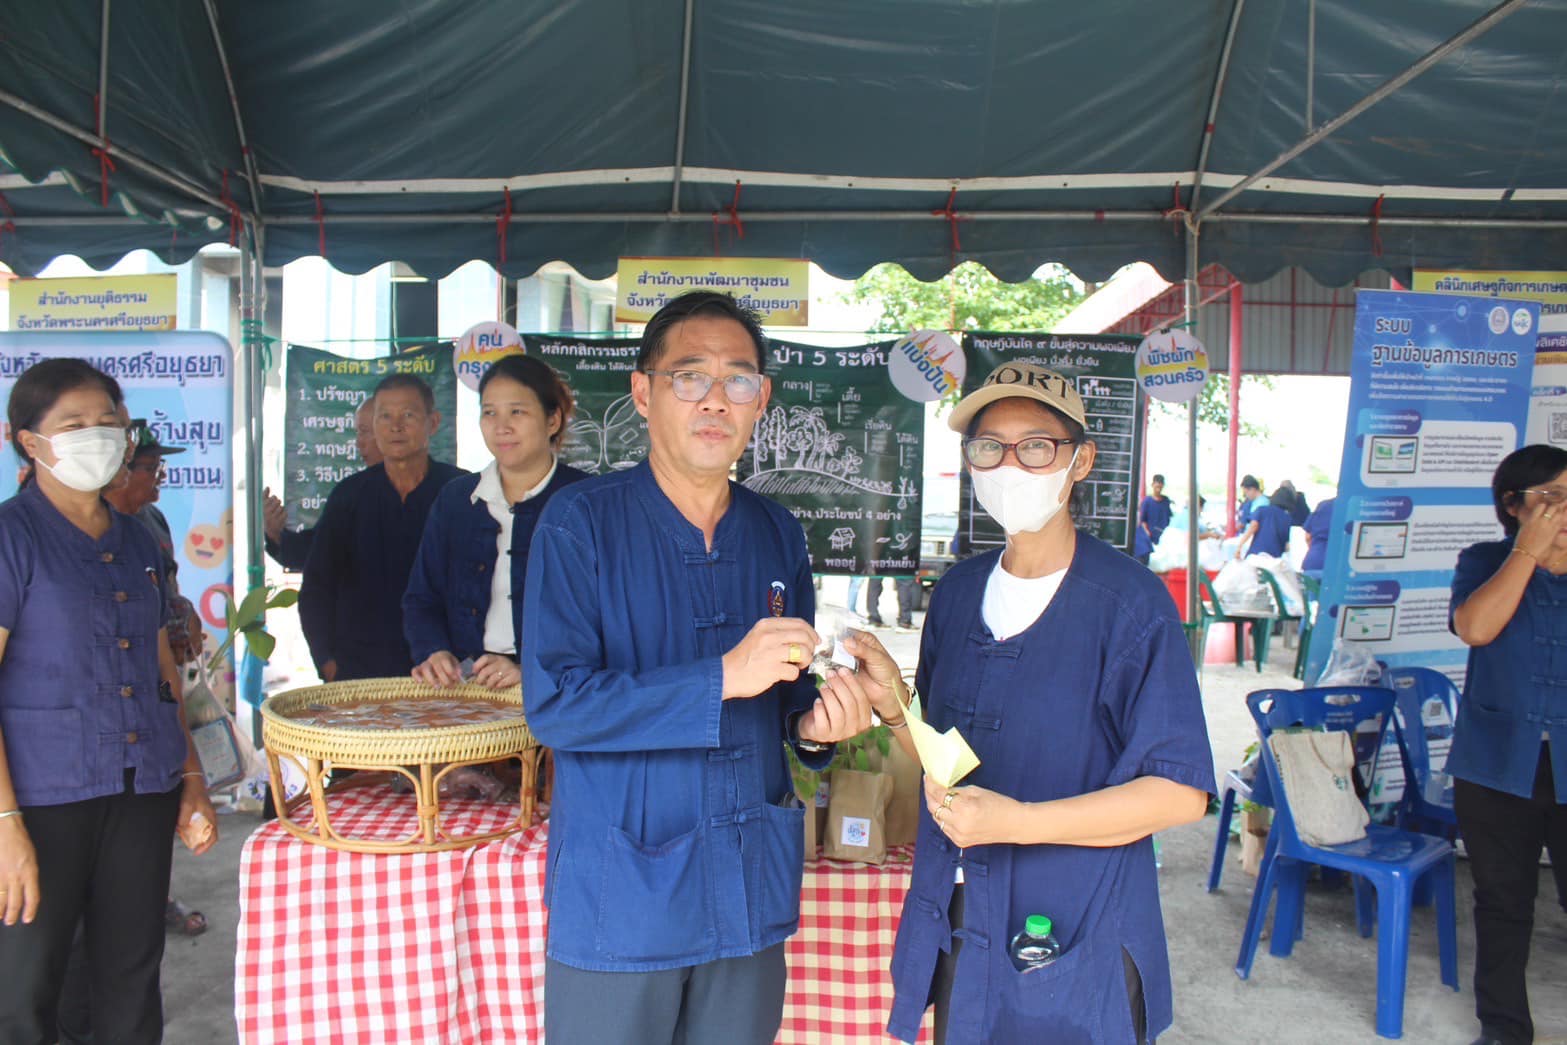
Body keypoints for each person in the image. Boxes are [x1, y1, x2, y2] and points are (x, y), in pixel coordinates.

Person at [522, 291, 874, 1044]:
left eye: (738, 379)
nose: (716, 399)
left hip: (746, 889)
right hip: (622, 900)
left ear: (761, 401)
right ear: (644, 392)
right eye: (690, 377)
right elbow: (556, 703)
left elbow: (786, 698)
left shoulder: (776, 531)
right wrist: (719, 676)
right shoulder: (580, 523)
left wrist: (816, 727)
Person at [835, 362, 1212, 1044]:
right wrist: (896, 707)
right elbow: (949, 767)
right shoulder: (956, 593)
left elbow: (1179, 794)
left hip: (1078, 925)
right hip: (963, 913)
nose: (1009, 464)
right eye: (989, 447)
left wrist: (1019, 821)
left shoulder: (1129, 605)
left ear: (1080, 460)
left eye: (1035, 445)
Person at [0, 359, 217, 1045]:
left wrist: (191, 778)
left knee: (129, 971)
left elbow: (161, 670)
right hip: (40, 798)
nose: (97, 434)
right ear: (28, 441)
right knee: (25, 983)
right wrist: (4, 825)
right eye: (74, 424)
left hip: (140, 786)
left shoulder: (136, 539)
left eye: (109, 421)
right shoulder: (13, 535)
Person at [1448, 444, 1567, 1045]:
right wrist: (1527, 552)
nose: (1565, 511)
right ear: (1512, 506)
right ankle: (1504, 1029)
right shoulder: (1484, 561)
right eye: (1551, 498)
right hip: (1496, 766)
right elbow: (1476, 627)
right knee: (1502, 904)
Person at [403, 355, 588, 688]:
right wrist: (434, 651)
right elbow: (422, 597)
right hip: (472, 694)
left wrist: (533, 671)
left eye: (517, 411)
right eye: (490, 412)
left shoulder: (587, 500)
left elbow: (607, 617)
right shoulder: (456, 500)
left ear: (552, 420)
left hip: (565, 695)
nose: (501, 426)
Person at [299, 375, 464, 682]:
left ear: (433, 422)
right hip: (360, 673)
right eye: (385, 416)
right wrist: (326, 660)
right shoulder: (348, 496)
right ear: (373, 425)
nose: (395, 426)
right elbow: (317, 587)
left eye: (409, 415)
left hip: (443, 672)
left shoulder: (461, 492)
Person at [105, 420, 204, 666]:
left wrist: (184, 616)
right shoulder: (99, 526)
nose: (161, 475)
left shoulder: (154, 517)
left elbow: (169, 582)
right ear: (121, 472)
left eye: (161, 465)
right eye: (150, 468)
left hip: (166, 662)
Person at [263, 398, 382, 572]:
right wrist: (276, 535)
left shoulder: (435, 491)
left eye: (364, 431)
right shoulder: (350, 494)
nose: (358, 443)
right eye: (357, 433)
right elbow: (316, 551)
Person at [1237, 486, 1294, 560]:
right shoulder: (1287, 518)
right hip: (1275, 558)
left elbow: (1253, 527)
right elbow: (1286, 544)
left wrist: (1240, 546)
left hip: (1256, 554)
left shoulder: (1262, 510)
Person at [1134, 473, 1173, 565]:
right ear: (1152, 485)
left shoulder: (1166, 501)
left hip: (1161, 534)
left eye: (1161, 485)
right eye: (1157, 485)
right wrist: (1147, 533)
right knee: (1143, 555)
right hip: (1147, 536)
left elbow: (1168, 518)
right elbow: (1142, 521)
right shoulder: (1147, 501)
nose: (1159, 487)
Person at [1300, 495, 1336, 576]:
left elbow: (1308, 536)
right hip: (1338, 569)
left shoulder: (1324, 505)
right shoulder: (1356, 507)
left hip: (1313, 564)